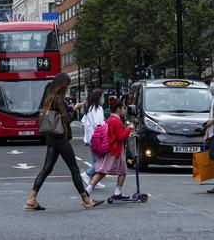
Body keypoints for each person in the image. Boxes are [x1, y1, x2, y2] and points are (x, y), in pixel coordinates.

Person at [24, 73, 104, 211]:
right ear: (62, 85)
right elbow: (66, 119)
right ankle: (86, 200)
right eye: (67, 85)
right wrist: (75, 109)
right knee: (74, 169)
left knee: (47, 168)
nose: (67, 88)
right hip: (61, 138)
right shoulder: (58, 99)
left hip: (51, 137)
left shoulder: (49, 97)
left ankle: (32, 198)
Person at [85, 100, 134, 199]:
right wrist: (129, 129)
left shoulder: (110, 118)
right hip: (115, 150)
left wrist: (126, 132)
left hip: (110, 149)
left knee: (116, 171)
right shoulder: (117, 121)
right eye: (123, 108)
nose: (125, 110)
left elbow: (115, 134)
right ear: (118, 109)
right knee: (108, 172)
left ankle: (88, 191)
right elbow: (120, 137)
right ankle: (87, 192)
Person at [80, 89, 106, 189]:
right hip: (97, 138)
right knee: (100, 161)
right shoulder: (96, 109)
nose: (103, 98)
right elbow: (97, 124)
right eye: (102, 96)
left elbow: (84, 121)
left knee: (96, 160)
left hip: (92, 138)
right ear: (98, 97)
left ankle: (94, 180)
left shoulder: (91, 108)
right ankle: (87, 174)